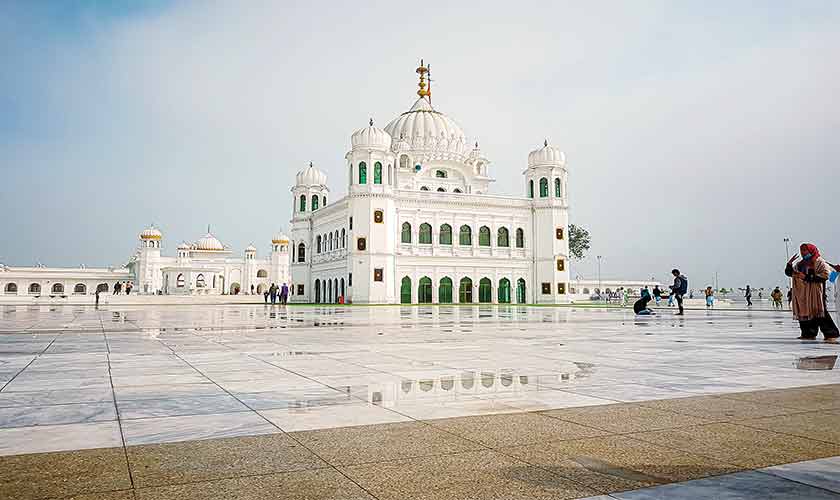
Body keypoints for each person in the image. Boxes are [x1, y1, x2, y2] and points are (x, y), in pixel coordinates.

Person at [785, 243, 839, 342]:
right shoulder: (800, 264)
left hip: (816, 292)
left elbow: (826, 276)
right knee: (805, 313)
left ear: (811, 250)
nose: (803, 252)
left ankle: (831, 333)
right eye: (801, 250)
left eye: (805, 250)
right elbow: (791, 273)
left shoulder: (820, 262)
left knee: (819, 312)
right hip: (803, 293)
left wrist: (807, 277)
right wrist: (789, 265)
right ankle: (808, 333)